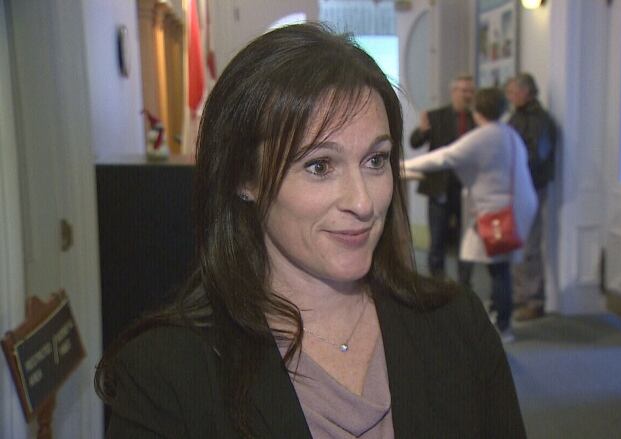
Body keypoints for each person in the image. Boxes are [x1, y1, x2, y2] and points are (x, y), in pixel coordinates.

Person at [94, 24, 526, 438]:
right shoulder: (165, 375)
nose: (362, 202)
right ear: (245, 178)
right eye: (319, 166)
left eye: (375, 161)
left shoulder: (459, 325)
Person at [404, 88, 538, 342]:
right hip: (513, 208)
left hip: (498, 214)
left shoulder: (484, 137)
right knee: (493, 264)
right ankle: (495, 314)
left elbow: (444, 157)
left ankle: (502, 325)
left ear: (477, 112)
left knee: (497, 268)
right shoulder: (508, 133)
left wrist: (401, 165)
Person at [409, 75, 475, 284]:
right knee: (437, 238)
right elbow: (415, 142)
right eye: (463, 90)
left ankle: (465, 285)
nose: (467, 95)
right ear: (454, 92)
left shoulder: (478, 119)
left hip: (467, 189)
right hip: (440, 187)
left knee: (467, 240)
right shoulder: (436, 116)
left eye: (470, 91)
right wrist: (422, 130)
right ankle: (437, 284)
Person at [504, 73, 556, 321]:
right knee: (516, 244)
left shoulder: (539, 120)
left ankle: (534, 301)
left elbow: (536, 155)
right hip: (517, 188)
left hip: (531, 188)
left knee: (530, 245)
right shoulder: (518, 116)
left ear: (527, 91)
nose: (510, 96)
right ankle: (519, 297)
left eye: (513, 91)